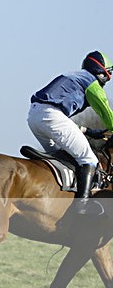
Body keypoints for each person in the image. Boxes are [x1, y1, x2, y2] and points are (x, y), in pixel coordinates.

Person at [28, 51, 113, 215]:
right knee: (89, 159)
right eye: (108, 73)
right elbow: (107, 115)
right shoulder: (92, 83)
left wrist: (89, 131)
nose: (108, 78)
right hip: (51, 116)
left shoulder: (76, 76)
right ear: (102, 71)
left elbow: (59, 119)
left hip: (35, 116)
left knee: (61, 157)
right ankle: (82, 206)